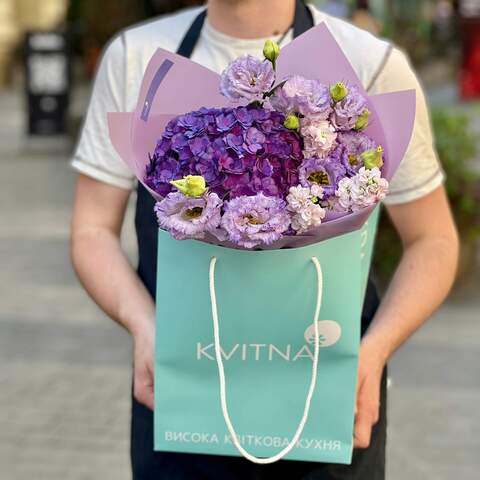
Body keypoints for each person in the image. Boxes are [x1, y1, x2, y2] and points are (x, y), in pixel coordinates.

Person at [70, 1, 459, 478]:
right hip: (184, 392)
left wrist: (374, 351)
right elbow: (91, 229)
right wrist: (143, 326)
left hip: (326, 395)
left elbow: (433, 240)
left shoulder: (368, 62)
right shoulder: (137, 55)